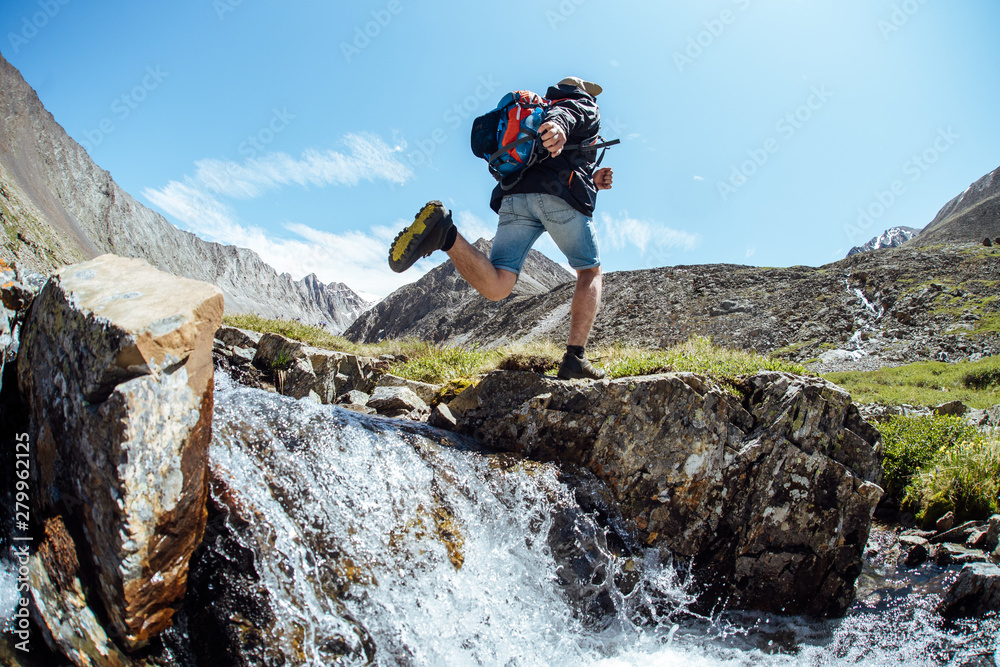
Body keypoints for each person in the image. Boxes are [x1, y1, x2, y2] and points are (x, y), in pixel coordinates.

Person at [389, 76, 614, 380]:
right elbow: (568, 116)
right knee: (589, 272)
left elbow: (558, 142)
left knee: (498, 285)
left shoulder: (539, 108)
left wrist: (593, 181)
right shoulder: (579, 103)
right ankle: (575, 359)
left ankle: (446, 234)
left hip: (515, 197)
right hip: (559, 195)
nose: (593, 98)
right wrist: (558, 129)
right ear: (580, 90)